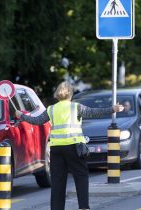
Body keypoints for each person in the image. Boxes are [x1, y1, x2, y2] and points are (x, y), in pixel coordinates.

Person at [15, 81, 124, 210]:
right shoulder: (75, 107)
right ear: (70, 94)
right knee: (81, 176)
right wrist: (112, 109)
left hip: (56, 149)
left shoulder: (51, 109)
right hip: (74, 147)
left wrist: (21, 115)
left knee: (57, 182)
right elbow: (94, 112)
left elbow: (36, 121)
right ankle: (83, 207)